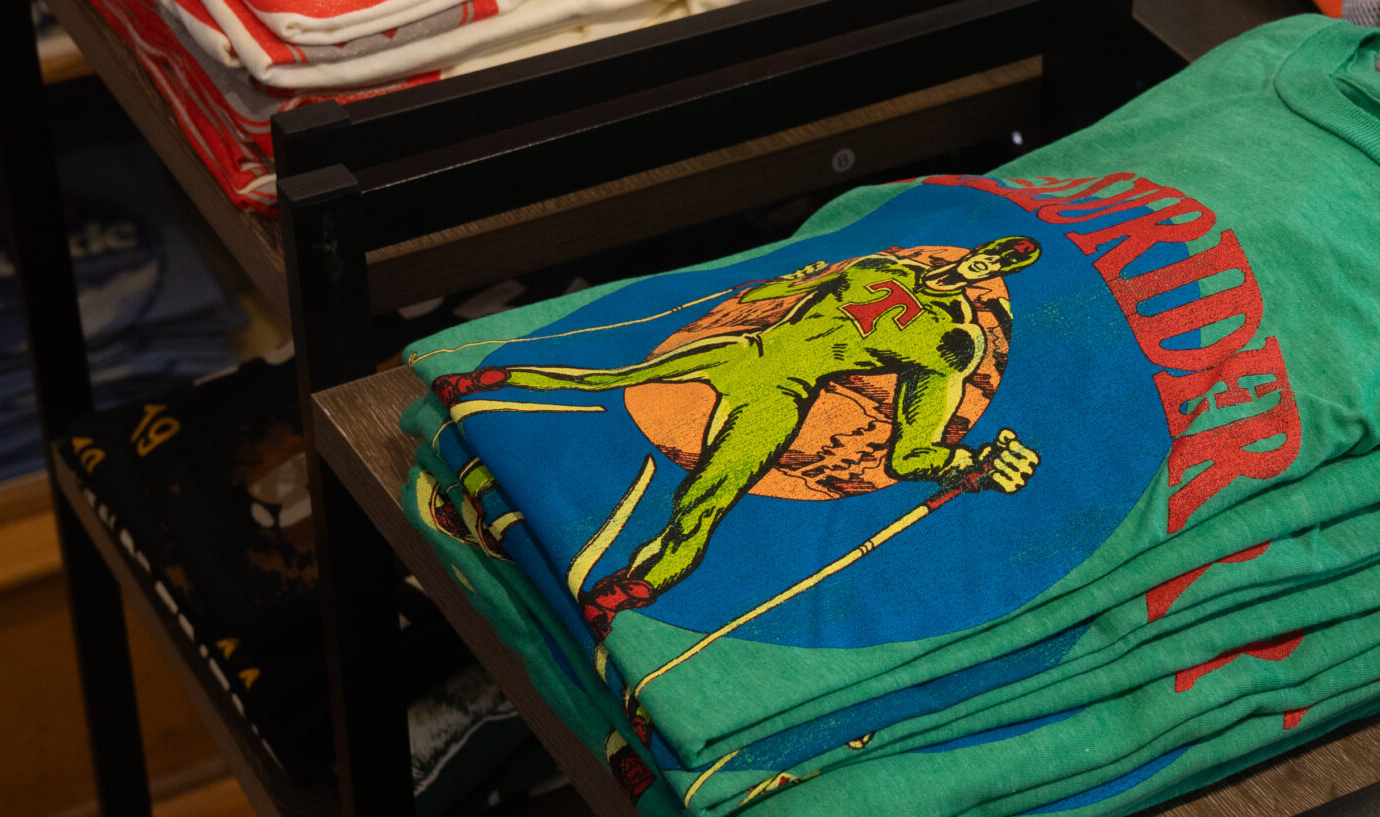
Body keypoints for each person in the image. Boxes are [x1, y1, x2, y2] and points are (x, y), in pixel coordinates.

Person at [434, 239, 1048, 636]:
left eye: (1007, 262)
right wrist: (783, 286)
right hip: (745, 348)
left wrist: (963, 464)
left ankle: (630, 590)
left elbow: (910, 452)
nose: (991, 261)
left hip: (781, 397)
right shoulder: (881, 267)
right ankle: (479, 384)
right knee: (609, 378)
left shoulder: (953, 341)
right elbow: (783, 291)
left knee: (708, 497)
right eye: (997, 250)